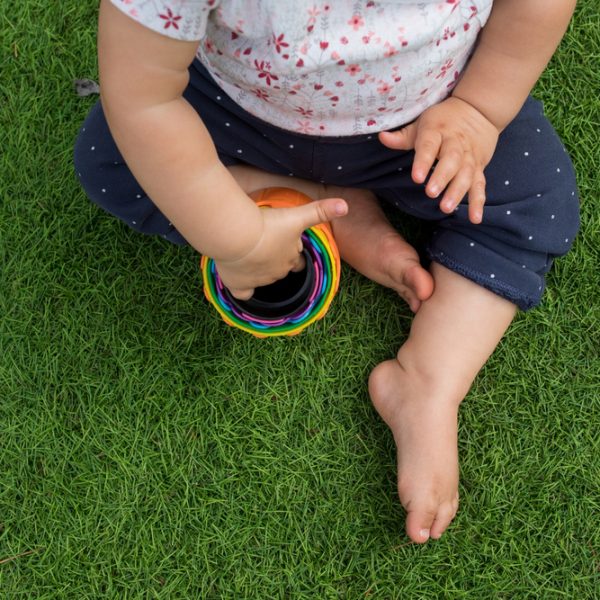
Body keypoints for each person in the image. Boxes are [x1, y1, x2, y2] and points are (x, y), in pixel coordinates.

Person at [74, 0, 580, 543]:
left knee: (533, 200)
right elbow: (143, 98)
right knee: (113, 159)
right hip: (234, 109)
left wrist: (479, 110)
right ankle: (326, 201)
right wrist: (235, 237)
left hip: (428, 117)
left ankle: (428, 383)